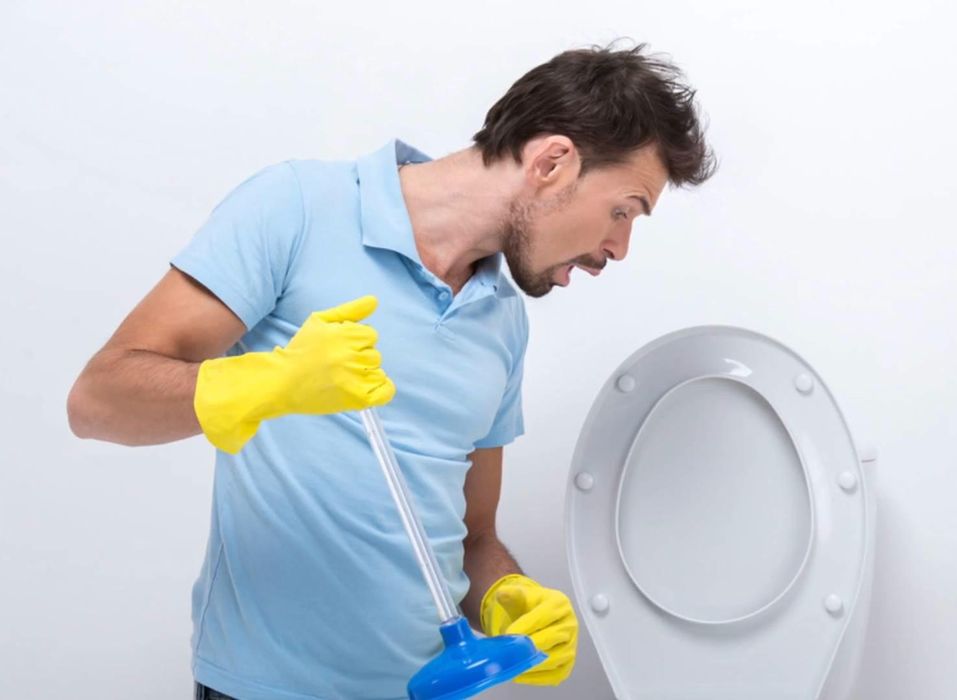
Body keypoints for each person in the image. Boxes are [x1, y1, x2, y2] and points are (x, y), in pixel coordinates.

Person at [67, 41, 715, 699]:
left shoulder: (501, 318)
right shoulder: (297, 207)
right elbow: (97, 400)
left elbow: (472, 537)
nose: (619, 248)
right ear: (552, 162)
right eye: (623, 209)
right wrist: (267, 384)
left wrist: (507, 597)